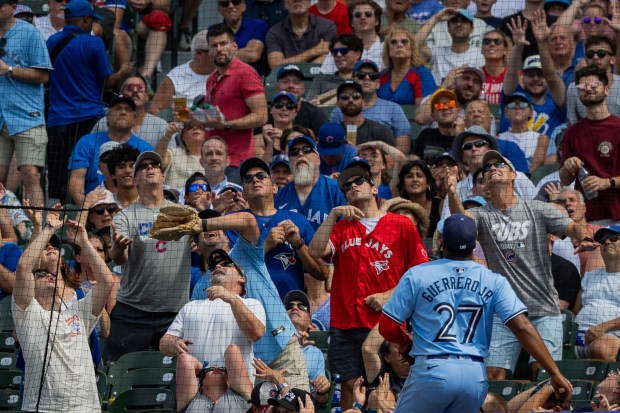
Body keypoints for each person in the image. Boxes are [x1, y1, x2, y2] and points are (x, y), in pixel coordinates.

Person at [378, 213, 573, 413]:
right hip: (473, 376)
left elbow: (387, 326)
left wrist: (405, 341)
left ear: (442, 242)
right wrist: (554, 372)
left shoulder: (418, 274)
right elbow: (523, 326)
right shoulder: (494, 280)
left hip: (433, 370)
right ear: (474, 244)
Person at [446, 150, 598, 380]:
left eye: (499, 164)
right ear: (485, 181)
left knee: (545, 376)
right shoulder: (482, 215)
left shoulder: (536, 209)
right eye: (487, 168)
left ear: (514, 174)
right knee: (492, 375)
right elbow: (461, 223)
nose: (492, 168)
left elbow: (571, 226)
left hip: (544, 308)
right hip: (504, 310)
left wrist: (584, 236)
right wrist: (450, 192)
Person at [309, 158, 428, 410]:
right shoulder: (341, 228)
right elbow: (315, 250)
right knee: (351, 385)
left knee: (389, 384)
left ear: (375, 188)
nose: (352, 186)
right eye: (347, 185)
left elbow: (420, 274)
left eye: (358, 181)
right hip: (344, 321)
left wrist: (390, 294)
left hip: (386, 321)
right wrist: (333, 214)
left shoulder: (401, 225)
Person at [13, 211, 114, 412]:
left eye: (49, 275)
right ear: (30, 288)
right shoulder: (28, 314)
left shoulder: (79, 310)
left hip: (85, 407)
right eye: (40, 275)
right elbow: (24, 267)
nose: (48, 277)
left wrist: (83, 242)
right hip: (42, 409)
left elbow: (107, 281)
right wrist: (49, 227)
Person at [103, 151, 193, 363]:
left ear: (163, 177)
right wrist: (117, 248)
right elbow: (120, 259)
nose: (150, 168)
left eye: (155, 165)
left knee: (180, 374)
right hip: (133, 311)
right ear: (135, 180)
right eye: (143, 166)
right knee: (117, 374)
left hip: (174, 313)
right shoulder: (125, 216)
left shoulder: (185, 213)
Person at [160, 248, 266, 412]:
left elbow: (257, 333)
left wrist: (231, 299)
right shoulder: (191, 307)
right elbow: (164, 343)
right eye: (215, 266)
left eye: (227, 264)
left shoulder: (252, 304)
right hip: (196, 392)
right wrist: (173, 344)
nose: (218, 266)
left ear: (241, 278)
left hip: (236, 391)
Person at [46, 0, 131, 202]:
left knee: (59, 178)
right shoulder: (94, 42)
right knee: (87, 174)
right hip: (87, 120)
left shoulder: (51, 41)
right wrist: (123, 72)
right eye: (91, 20)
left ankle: (61, 219)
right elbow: (107, 82)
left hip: (57, 121)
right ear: (86, 18)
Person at [233, 158, 328, 299]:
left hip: (291, 307)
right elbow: (228, 268)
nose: (255, 180)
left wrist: (298, 244)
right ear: (244, 194)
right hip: (249, 306)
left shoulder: (297, 220)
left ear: (274, 188)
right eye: (248, 179)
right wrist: (265, 246)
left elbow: (322, 272)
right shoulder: (234, 221)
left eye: (261, 176)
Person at [0, 0, 51, 209]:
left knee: (30, 173)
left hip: (27, 118)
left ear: (12, 7)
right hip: (0, 119)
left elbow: (44, 75)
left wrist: (10, 70)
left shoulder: (30, 33)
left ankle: (39, 230)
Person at [201, 24, 268, 171]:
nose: (219, 49)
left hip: (237, 162)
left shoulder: (246, 73)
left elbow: (262, 116)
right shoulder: (211, 78)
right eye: (214, 45)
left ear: (235, 46)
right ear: (209, 51)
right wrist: (197, 121)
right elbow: (215, 121)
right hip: (213, 161)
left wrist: (227, 124)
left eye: (223, 43)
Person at [560, 65, 620, 225]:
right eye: (583, 86)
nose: (589, 89)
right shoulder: (572, 133)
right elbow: (565, 180)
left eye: (594, 85)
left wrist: (607, 182)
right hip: (589, 218)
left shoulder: (618, 128)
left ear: (606, 89)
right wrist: (567, 166)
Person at [67, 94, 153, 206]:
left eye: (127, 109)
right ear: (107, 116)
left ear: (134, 119)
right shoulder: (87, 142)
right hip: (96, 208)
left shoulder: (144, 148)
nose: (123, 112)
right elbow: (75, 186)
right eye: (118, 108)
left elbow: (149, 186)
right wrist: (89, 211)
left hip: (133, 208)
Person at [501, 17, 566, 142]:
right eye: (530, 74)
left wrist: (542, 42)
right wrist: (518, 46)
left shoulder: (556, 104)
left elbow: (552, 77)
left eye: (541, 74)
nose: (536, 79)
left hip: (548, 159)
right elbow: (511, 73)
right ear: (523, 77)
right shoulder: (513, 99)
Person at [330, 59, 412, 154]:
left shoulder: (394, 109)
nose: (367, 78)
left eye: (372, 76)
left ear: (378, 84)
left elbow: (403, 149)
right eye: (361, 75)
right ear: (353, 80)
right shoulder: (339, 110)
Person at [274, 135, 347, 230]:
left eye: (307, 149)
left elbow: (345, 232)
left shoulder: (335, 190)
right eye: (294, 152)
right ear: (290, 163)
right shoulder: (280, 196)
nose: (300, 154)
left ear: (318, 159)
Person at [573, 226, 620, 362]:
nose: (607, 242)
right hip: (577, 336)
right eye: (602, 239)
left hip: (610, 334)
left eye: (613, 237)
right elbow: (576, 311)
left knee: (601, 349)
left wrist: (603, 328)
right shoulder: (589, 276)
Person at [149, 30, 215, 117]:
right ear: (199, 53)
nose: (219, 52)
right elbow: (155, 110)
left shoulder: (224, 72)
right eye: (213, 49)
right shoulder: (175, 76)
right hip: (184, 127)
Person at [93, 74, 169, 148]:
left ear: (147, 96)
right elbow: (90, 148)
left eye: (140, 88)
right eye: (130, 88)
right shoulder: (104, 123)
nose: (135, 91)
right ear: (121, 94)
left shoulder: (161, 126)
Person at [415, 8, 485, 84]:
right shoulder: (437, 52)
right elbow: (415, 44)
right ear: (448, 28)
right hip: (439, 95)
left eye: (464, 21)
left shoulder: (482, 55)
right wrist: (436, 18)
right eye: (454, 21)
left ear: (472, 29)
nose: (459, 24)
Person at [265, 0, 337, 69]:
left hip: (320, 80)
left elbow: (329, 59)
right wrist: (313, 52)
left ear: (310, 2)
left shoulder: (327, 26)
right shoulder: (274, 32)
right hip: (287, 81)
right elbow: (275, 66)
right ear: (284, 3)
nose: (297, 0)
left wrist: (290, 66)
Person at [566, 36, 620, 124]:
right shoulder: (574, 88)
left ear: (612, 60)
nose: (595, 57)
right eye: (590, 54)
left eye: (601, 53)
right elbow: (572, 124)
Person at [320, 0, 383, 75]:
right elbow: (322, 78)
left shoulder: (388, 46)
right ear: (352, 23)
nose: (363, 17)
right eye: (357, 15)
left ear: (377, 21)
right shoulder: (338, 47)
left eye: (368, 14)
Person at [498, 92, 552, 175]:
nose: (516, 107)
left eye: (522, 104)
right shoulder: (498, 138)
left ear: (531, 112)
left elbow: (535, 169)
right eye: (511, 104)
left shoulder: (541, 139)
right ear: (506, 112)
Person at [379, 27, 435, 104]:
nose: (399, 45)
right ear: (388, 49)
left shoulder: (422, 73)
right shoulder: (381, 75)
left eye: (404, 41)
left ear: (412, 48)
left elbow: (423, 111)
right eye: (394, 42)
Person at [307, 34, 363, 105]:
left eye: (343, 51)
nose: (338, 55)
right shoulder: (321, 80)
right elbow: (307, 107)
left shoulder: (364, 80)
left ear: (357, 54)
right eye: (335, 52)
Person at [272, 64, 328, 136]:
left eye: (296, 82)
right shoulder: (267, 113)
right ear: (277, 87)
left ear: (303, 88)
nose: (291, 85)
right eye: (285, 82)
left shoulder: (316, 114)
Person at [335, 81, 396, 147]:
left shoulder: (382, 131)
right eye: (344, 96)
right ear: (338, 104)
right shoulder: (332, 133)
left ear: (363, 103)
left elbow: (392, 157)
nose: (350, 100)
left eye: (356, 96)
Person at [216, 0, 268, 74]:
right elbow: (211, 58)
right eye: (225, 3)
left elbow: (253, 55)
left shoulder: (258, 25)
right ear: (220, 10)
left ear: (243, 6)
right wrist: (243, 52)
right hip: (223, 77)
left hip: (252, 79)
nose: (231, 6)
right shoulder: (214, 30)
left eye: (236, 2)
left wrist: (222, 53)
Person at [411, 88, 459, 164]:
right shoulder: (426, 135)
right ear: (433, 116)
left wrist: (459, 134)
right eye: (439, 106)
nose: (445, 108)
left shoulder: (465, 136)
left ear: (458, 111)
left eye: (451, 104)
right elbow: (413, 164)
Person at [395, 160, 441, 237]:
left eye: (419, 176)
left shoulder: (440, 205)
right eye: (409, 176)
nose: (415, 180)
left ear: (428, 183)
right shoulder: (398, 207)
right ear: (403, 184)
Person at [155, 122, 205, 191]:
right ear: (183, 136)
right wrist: (167, 135)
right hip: (172, 200)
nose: (195, 128)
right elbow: (157, 161)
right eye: (189, 126)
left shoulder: (212, 157)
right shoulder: (174, 152)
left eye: (200, 125)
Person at [255, 92, 300, 163]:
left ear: (296, 113)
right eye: (279, 105)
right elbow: (262, 170)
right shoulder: (259, 139)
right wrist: (270, 145)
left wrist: (285, 139)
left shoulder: (301, 137)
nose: (284, 108)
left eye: (289, 106)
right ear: (271, 110)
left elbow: (300, 165)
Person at [480, 29, 509, 105]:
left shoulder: (514, 76)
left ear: (505, 50)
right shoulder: (475, 76)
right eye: (486, 41)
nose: (492, 44)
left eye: (498, 42)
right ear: (481, 49)